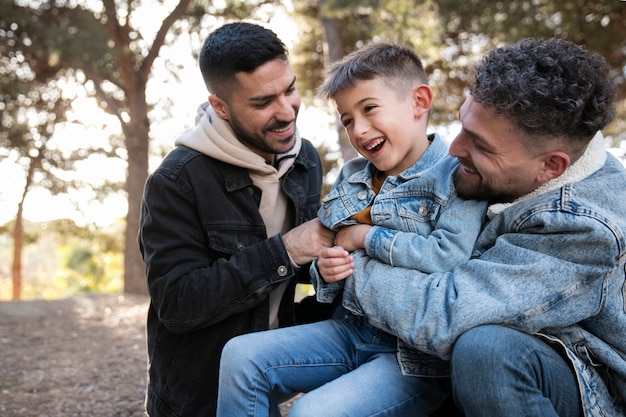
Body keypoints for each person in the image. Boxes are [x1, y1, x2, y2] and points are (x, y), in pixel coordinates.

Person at [329, 37, 625, 417]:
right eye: (464, 124)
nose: (453, 149)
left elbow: (443, 316)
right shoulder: (533, 150)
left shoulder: (584, 227)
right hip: (524, 345)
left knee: (487, 352)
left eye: (481, 146)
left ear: (551, 166)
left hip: (589, 383)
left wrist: (347, 257)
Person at [217, 42, 487, 416]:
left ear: (419, 101)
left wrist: (366, 237)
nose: (358, 130)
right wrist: (325, 270)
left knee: (312, 412)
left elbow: (448, 256)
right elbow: (328, 258)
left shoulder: (456, 178)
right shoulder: (352, 177)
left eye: (369, 109)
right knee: (241, 355)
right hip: (349, 330)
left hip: (411, 357)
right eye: (347, 120)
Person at [137, 22, 336, 417]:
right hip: (199, 392)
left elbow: (301, 269)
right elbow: (177, 304)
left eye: (290, 89)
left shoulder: (305, 159)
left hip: (272, 370)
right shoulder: (176, 181)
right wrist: (287, 249)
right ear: (220, 107)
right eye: (263, 103)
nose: (286, 112)